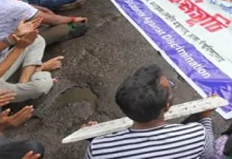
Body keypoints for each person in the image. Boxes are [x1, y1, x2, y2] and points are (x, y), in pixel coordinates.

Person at [85, 64, 215, 159]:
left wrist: (97, 138)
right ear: (167, 105)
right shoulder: (198, 134)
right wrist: (205, 117)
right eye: (170, 88)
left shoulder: (97, 149)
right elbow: (209, 156)